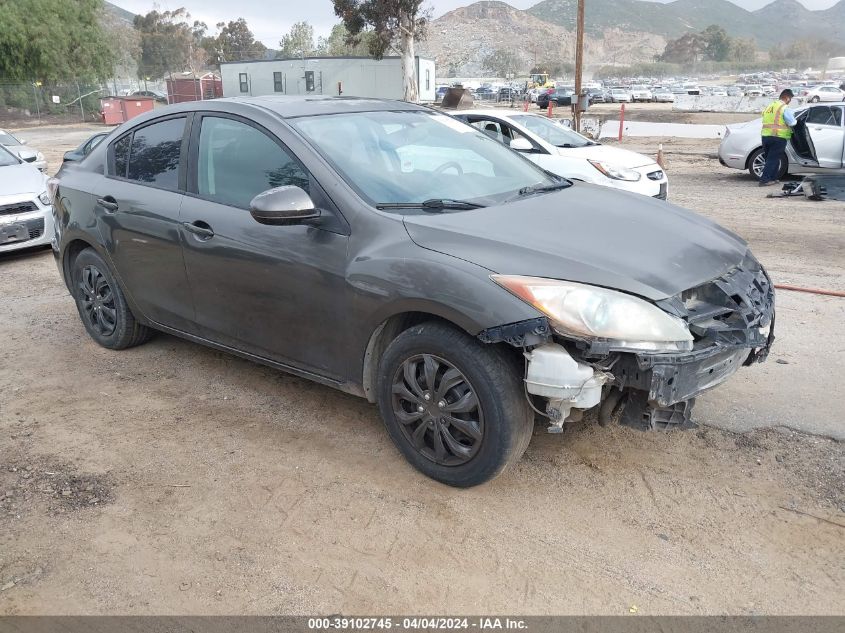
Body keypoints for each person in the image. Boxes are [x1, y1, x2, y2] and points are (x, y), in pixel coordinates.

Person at [759, 89, 796, 186]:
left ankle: (773, 178)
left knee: (770, 158)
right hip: (778, 136)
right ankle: (764, 180)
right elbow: (792, 122)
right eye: (790, 99)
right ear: (787, 97)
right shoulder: (784, 107)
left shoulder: (770, 106)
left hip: (766, 136)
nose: (790, 101)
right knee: (773, 159)